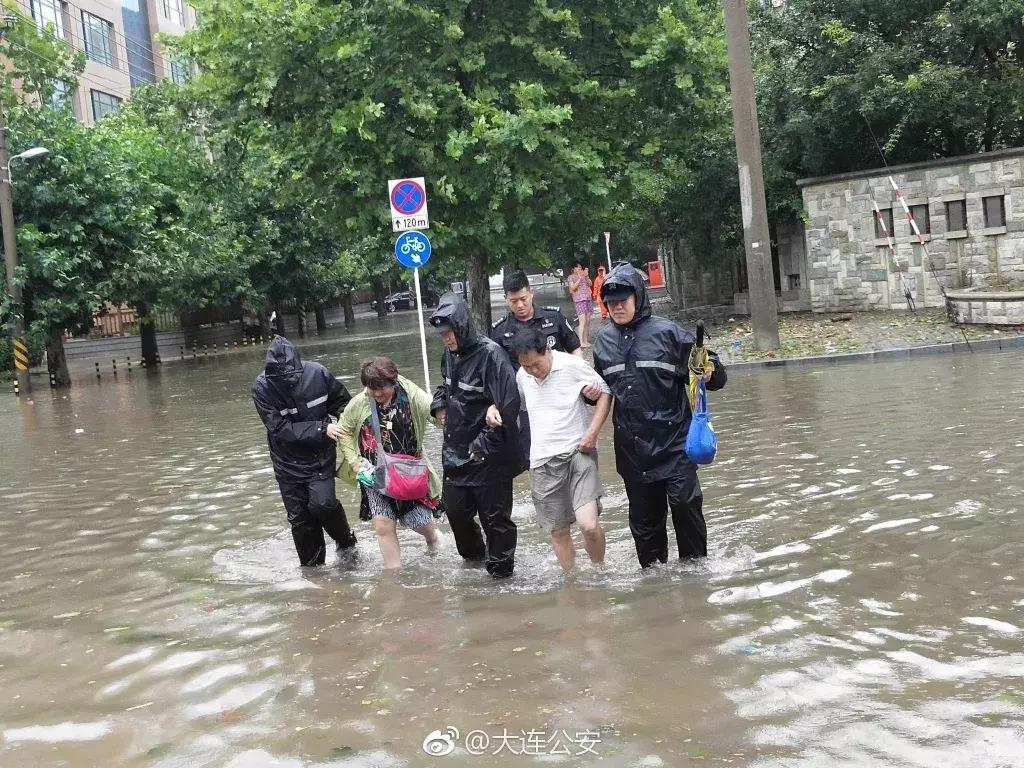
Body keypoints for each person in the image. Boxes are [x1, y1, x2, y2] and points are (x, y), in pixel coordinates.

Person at [592, 264, 727, 568]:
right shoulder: (602, 343)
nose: (617, 308)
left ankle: (696, 577)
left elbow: (712, 372)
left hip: (676, 445)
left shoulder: (669, 334)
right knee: (645, 526)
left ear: (637, 298)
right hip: (633, 452)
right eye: (611, 304)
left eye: (622, 302)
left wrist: (710, 371)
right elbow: (600, 392)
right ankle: (654, 588)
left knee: (686, 508)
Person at [490, 328, 612, 574]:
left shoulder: (571, 365)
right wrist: (492, 407)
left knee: (588, 524)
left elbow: (605, 393)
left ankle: (600, 571)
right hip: (543, 461)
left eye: (536, 364)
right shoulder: (522, 377)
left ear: (547, 350)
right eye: (526, 367)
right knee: (558, 530)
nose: (533, 371)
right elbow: (511, 402)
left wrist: (593, 432)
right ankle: (572, 580)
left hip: (579, 452)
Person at [429, 293, 525, 578]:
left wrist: (483, 444)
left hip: (488, 456)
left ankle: (500, 573)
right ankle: (473, 564)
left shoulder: (491, 355)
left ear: (462, 326)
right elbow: (445, 388)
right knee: (456, 513)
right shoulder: (449, 355)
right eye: (442, 334)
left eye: (450, 333)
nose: (446, 339)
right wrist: (439, 406)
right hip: (456, 453)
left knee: (496, 520)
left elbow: (509, 406)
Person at [252, 336, 358, 567]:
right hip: (286, 462)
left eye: (291, 378)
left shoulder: (318, 374)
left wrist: (353, 431)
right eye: (281, 380)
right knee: (301, 521)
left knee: (323, 504)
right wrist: (322, 428)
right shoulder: (261, 388)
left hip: (319, 457)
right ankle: (313, 573)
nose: (287, 383)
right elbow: (279, 428)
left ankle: (346, 542)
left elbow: (343, 405)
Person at [337, 357, 443, 569]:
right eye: (371, 388)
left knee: (418, 521)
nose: (377, 393)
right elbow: (345, 430)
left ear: (393, 381)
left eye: (381, 388)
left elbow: (435, 415)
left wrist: (444, 415)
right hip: (373, 473)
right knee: (383, 525)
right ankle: (393, 575)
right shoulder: (360, 403)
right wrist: (355, 462)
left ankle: (432, 536)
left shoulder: (412, 395)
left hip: (407, 470)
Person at [489, 269, 581, 369]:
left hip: (557, 379)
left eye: (523, 299)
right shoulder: (500, 331)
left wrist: (578, 373)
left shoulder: (554, 317)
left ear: (531, 293)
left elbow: (574, 348)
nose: (520, 305)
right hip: (520, 382)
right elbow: (497, 367)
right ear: (505, 298)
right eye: (513, 301)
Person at [566, 262, 594, 348]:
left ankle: (585, 340)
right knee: (582, 321)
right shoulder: (570, 277)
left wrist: (587, 276)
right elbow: (573, 287)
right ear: (573, 269)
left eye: (580, 268)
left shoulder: (584, 276)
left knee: (588, 321)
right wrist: (580, 278)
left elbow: (590, 284)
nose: (579, 269)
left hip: (588, 298)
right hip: (579, 300)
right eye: (578, 268)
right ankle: (580, 342)